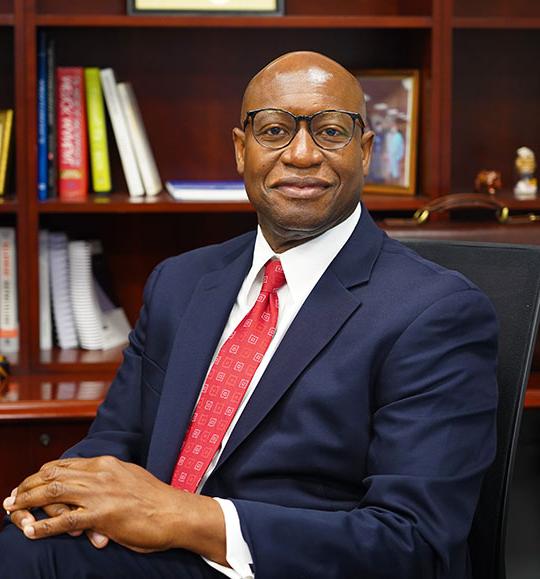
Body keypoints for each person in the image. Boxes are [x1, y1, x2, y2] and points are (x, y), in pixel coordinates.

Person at [0, 51, 497, 579]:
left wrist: (188, 518)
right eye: (275, 130)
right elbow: (118, 437)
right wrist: (67, 495)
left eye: (330, 132)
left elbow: (413, 542)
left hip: (281, 565)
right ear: (241, 150)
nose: (302, 155)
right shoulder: (180, 281)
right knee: (27, 541)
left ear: (365, 150)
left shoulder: (437, 313)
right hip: (153, 555)